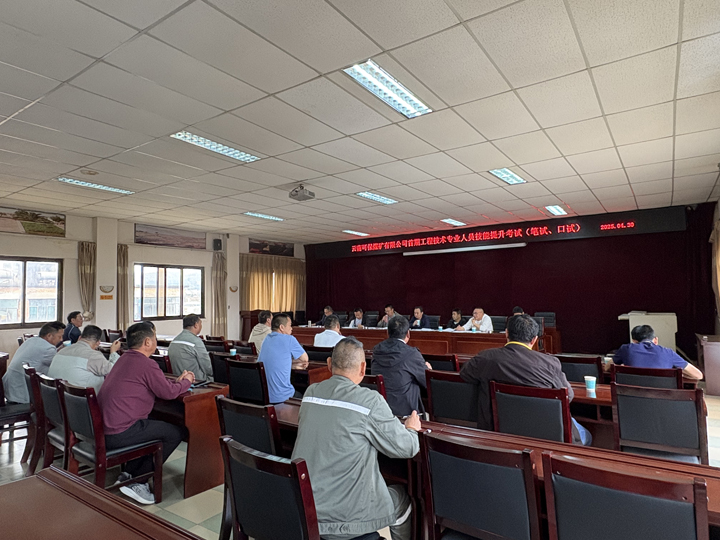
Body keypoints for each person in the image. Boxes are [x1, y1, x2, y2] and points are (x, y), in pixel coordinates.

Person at [292, 337, 421, 540]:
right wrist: (412, 429)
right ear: (363, 368)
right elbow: (408, 448)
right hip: (345, 521)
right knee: (402, 499)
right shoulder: (370, 401)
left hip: (305, 511)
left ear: (329, 364)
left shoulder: (310, 393)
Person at [98, 321, 195, 505]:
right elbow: (168, 393)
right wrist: (187, 381)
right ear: (148, 342)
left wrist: (177, 383)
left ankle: (129, 473)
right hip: (120, 432)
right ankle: (139, 481)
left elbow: (158, 386)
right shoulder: (145, 363)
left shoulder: (124, 358)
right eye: (155, 337)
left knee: (153, 426)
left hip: (105, 429)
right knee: (175, 433)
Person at [459, 314, 591, 445]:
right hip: (547, 436)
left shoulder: (486, 358)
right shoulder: (550, 363)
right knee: (587, 435)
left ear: (506, 333)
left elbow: (464, 373)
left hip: (499, 435)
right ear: (534, 340)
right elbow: (568, 396)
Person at [371, 315, 432, 416]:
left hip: (379, 410)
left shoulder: (376, 350)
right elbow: (427, 383)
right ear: (408, 333)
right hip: (405, 413)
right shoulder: (412, 354)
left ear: (387, 333)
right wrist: (428, 370)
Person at [2, 321, 65, 403]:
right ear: (49, 336)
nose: (61, 339)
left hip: (9, 387)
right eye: (59, 336)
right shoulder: (48, 348)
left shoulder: (31, 340)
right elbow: (58, 365)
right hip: (21, 392)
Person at [48, 325, 121, 393]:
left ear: (79, 338)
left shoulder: (61, 351)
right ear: (98, 343)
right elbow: (114, 370)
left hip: (57, 396)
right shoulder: (93, 355)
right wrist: (113, 352)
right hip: (81, 399)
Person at [614, 325, 703, 379]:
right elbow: (698, 375)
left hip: (630, 399)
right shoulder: (668, 353)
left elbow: (608, 366)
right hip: (663, 400)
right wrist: (677, 374)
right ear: (655, 340)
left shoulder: (626, 349)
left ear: (634, 341)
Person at [257, 314, 309, 404]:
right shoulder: (289, 339)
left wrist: (288, 361)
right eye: (290, 325)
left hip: (264, 396)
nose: (291, 328)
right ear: (281, 327)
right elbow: (305, 359)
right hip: (282, 396)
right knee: (306, 396)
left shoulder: (266, 339)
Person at [167, 314, 212, 381]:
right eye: (200, 324)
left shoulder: (174, 341)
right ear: (196, 325)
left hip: (177, 379)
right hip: (196, 380)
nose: (201, 326)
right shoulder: (196, 341)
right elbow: (207, 367)